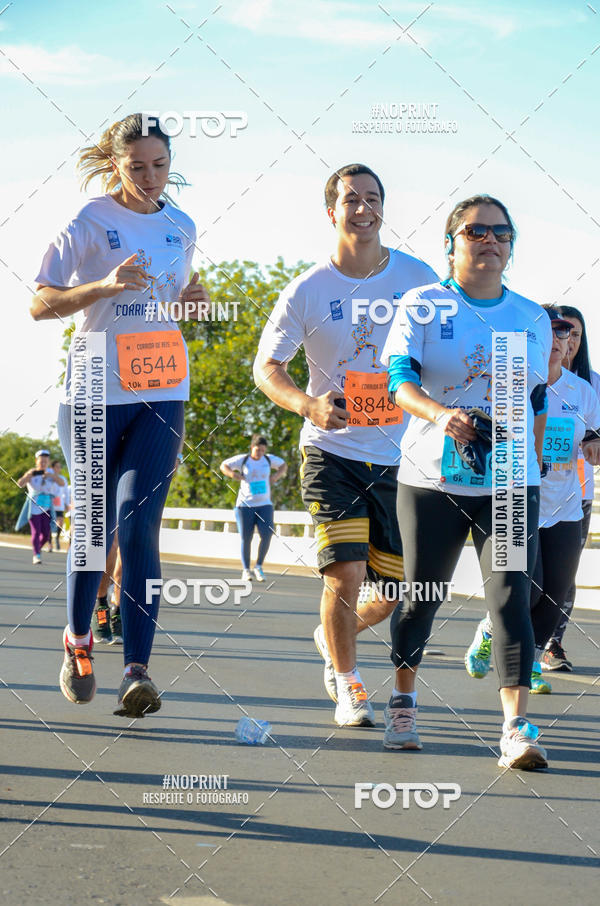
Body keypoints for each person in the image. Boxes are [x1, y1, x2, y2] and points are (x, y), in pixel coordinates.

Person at [31, 112, 208, 717]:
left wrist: (193, 305)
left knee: (138, 526)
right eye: (137, 167)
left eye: (160, 165)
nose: (151, 176)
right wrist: (103, 286)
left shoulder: (181, 225)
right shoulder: (89, 220)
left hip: (160, 385)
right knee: (95, 526)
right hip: (92, 388)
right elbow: (41, 302)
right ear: (114, 165)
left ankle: (138, 670)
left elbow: (171, 303)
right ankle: (77, 640)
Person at [254, 163, 437, 727]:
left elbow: (447, 349)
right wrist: (308, 405)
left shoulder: (419, 277)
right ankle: (350, 685)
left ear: (384, 207)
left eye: (373, 198)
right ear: (331, 211)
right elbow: (266, 368)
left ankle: (334, 638)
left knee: (396, 594)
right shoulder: (308, 289)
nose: (363, 207)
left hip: (402, 459)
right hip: (331, 453)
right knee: (345, 573)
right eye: (351, 199)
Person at [381, 194, 552, 769]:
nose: (489, 241)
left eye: (501, 232)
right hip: (433, 477)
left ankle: (516, 726)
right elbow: (397, 383)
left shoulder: (531, 316)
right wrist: (440, 415)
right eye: (475, 231)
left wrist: (536, 461)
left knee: (510, 599)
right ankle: (403, 703)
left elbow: (535, 398)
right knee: (422, 596)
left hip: (507, 479)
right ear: (451, 242)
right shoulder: (422, 304)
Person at [465, 308, 600, 693]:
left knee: (556, 595)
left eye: (565, 335)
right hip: (516, 501)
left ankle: (533, 657)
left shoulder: (582, 390)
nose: (558, 342)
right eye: (550, 334)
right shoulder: (512, 386)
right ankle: (496, 634)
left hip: (566, 505)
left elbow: (596, 432)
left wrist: (594, 445)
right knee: (531, 587)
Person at [542, 304, 600, 671]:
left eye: (575, 334)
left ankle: (551, 644)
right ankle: (497, 630)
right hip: (532, 490)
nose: (568, 341)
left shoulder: (590, 385)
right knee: (530, 577)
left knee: (565, 574)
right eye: (562, 333)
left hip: (577, 492)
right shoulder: (525, 378)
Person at [220, 434, 287, 581]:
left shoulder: (268, 460)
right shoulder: (243, 460)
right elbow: (223, 465)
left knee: (267, 534)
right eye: (257, 450)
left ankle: (258, 566)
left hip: (265, 504)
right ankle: (246, 570)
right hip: (245, 505)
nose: (260, 453)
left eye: (263, 450)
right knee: (246, 537)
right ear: (251, 448)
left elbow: (283, 465)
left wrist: (276, 476)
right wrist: (233, 474)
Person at [16, 450, 66, 564]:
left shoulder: (50, 473)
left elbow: (62, 483)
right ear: (36, 461)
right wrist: (28, 476)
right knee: (36, 531)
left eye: (45, 461)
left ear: (48, 462)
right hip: (34, 507)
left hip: (47, 507)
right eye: (41, 461)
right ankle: (36, 554)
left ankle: (37, 548)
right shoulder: (32, 472)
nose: (43, 463)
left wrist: (51, 475)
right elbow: (19, 484)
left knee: (46, 532)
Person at [49, 460, 70, 551]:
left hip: (59, 504)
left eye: (60, 467)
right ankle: (49, 543)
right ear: (52, 468)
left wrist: (66, 504)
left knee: (60, 522)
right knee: (49, 524)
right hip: (49, 504)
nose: (59, 469)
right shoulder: (48, 478)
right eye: (57, 467)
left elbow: (66, 492)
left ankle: (56, 538)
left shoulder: (63, 479)